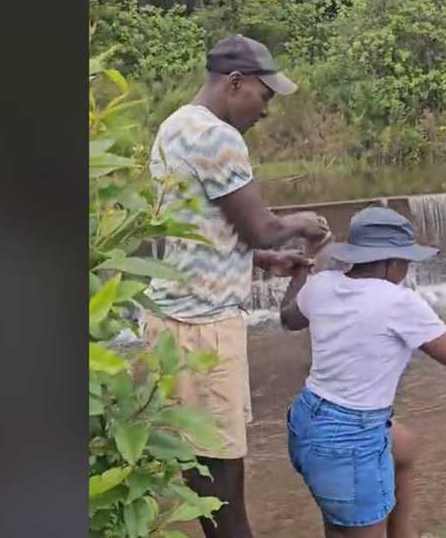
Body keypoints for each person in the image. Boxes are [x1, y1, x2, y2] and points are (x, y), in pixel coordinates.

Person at [142, 34, 332, 538]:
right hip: (206, 327)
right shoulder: (221, 138)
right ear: (234, 83)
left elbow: (205, 226)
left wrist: (265, 259)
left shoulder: (173, 126)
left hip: (168, 322)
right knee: (226, 481)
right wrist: (303, 225)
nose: (266, 110)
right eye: (264, 95)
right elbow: (261, 227)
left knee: (200, 472)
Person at [279, 206, 446, 538]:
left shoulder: (320, 284)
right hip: (350, 438)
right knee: (349, 524)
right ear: (391, 263)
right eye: (406, 262)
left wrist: (299, 274)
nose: (407, 270)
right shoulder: (399, 302)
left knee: (404, 446)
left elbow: (288, 318)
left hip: (306, 419)